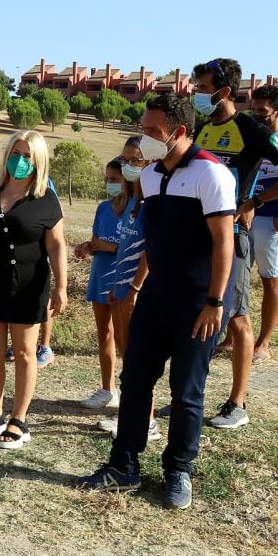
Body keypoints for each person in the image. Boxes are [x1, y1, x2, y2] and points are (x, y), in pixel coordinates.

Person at [78, 93, 236, 510]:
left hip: (197, 303)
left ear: (179, 133)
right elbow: (154, 240)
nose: (144, 140)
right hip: (155, 297)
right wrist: (135, 286)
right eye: (144, 128)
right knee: (135, 381)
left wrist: (215, 302)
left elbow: (224, 245)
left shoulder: (211, 174)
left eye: (153, 132)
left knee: (186, 391)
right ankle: (123, 464)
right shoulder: (150, 177)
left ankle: (178, 470)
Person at [191, 59, 278, 430]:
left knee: (235, 317)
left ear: (225, 91)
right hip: (197, 238)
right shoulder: (202, 129)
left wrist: (254, 203)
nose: (197, 94)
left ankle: (237, 403)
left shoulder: (250, 127)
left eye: (203, 88)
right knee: (199, 314)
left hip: (233, 238)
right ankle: (192, 395)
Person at [0, 130, 67, 449]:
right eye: (15, 153)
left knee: (25, 354)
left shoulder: (46, 199)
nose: (19, 161)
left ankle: (19, 420)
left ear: (38, 161)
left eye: (27, 156)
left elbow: (57, 246)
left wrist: (61, 287)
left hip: (29, 286)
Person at [97, 137, 157, 439]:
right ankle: (130, 415)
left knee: (138, 358)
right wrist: (118, 286)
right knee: (127, 356)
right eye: (126, 160)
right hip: (121, 289)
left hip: (136, 292)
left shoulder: (153, 202)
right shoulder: (132, 200)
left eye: (136, 160)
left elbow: (150, 250)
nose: (129, 166)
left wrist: (134, 287)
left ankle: (146, 421)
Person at [74, 158, 126, 410]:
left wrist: (108, 246)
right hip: (100, 276)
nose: (110, 184)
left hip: (121, 280)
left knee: (125, 339)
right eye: (107, 179)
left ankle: (131, 393)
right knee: (104, 334)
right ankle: (107, 389)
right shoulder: (103, 208)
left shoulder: (135, 210)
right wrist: (87, 247)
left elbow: (134, 248)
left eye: (115, 179)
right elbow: (97, 242)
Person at [247, 85, 278, 364]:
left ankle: (263, 343)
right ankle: (233, 336)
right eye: (253, 110)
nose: (256, 116)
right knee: (235, 276)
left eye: (262, 111)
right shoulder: (252, 136)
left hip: (274, 219)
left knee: (269, 278)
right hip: (246, 215)